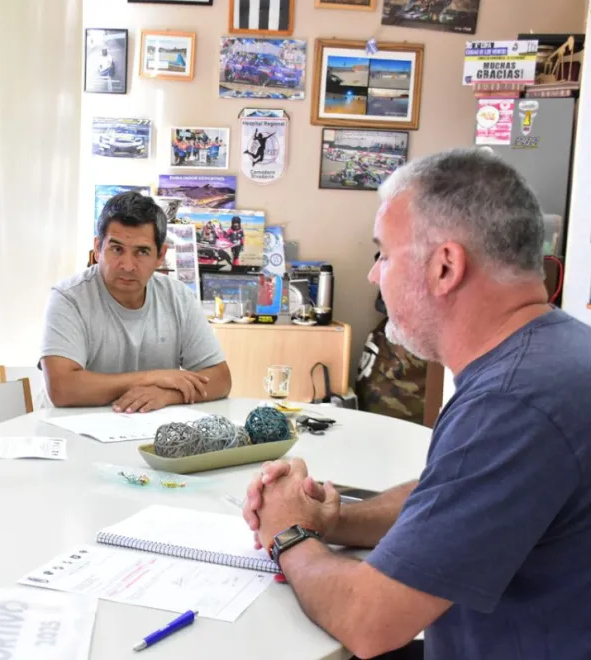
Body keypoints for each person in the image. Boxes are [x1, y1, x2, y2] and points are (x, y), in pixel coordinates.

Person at [241, 148, 591, 659]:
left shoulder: (512, 402)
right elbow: (456, 495)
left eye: (383, 254)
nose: (373, 276)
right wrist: (334, 523)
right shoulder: (554, 354)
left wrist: (287, 533)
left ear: (445, 266)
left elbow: (369, 621)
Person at [40, 191, 231, 413]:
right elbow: (62, 389)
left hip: (149, 432)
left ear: (160, 255)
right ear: (98, 248)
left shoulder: (178, 297)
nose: (128, 266)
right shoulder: (68, 298)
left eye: (142, 251)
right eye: (117, 249)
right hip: (71, 433)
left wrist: (167, 394)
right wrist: (155, 377)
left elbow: (220, 379)